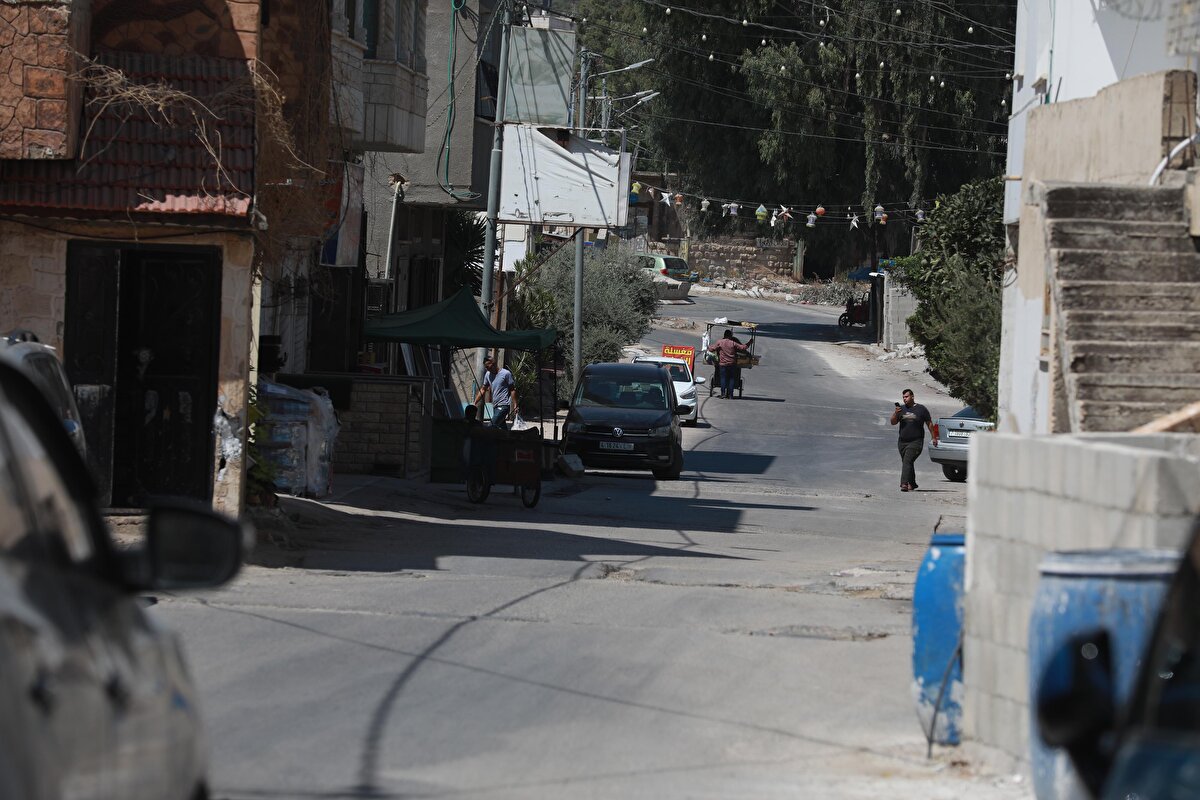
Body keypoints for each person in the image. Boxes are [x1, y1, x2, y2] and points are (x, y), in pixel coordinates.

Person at [889, 388, 937, 492]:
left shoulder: (921, 409)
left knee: (907, 460)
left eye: (906, 396)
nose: (904, 399)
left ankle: (904, 484)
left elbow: (929, 423)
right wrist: (895, 413)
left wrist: (934, 437)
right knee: (907, 462)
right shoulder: (900, 409)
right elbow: (893, 422)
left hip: (916, 441)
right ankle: (913, 483)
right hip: (902, 442)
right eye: (903, 397)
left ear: (912, 397)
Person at [474, 355, 518, 430]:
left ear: (493, 363)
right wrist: (475, 402)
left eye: (488, 366)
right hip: (495, 406)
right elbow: (483, 389)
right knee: (502, 428)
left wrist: (515, 404)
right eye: (485, 367)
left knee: (491, 426)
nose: (487, 369)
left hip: (504, 405)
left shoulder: (506, 374)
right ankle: (508, 440)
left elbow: (512, 390)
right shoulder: (488, 374)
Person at [707, 329, 749, 399]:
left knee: (723, 378)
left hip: (723, 364)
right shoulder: (733, 343)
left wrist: (707, 345)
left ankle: (723, 394)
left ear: (724, 335)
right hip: (732, 364)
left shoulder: (720, 342)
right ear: (730, 336)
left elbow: (711, 349)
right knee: (731, 379)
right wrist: (750, 342)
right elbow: (743, 348)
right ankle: (730, 395)